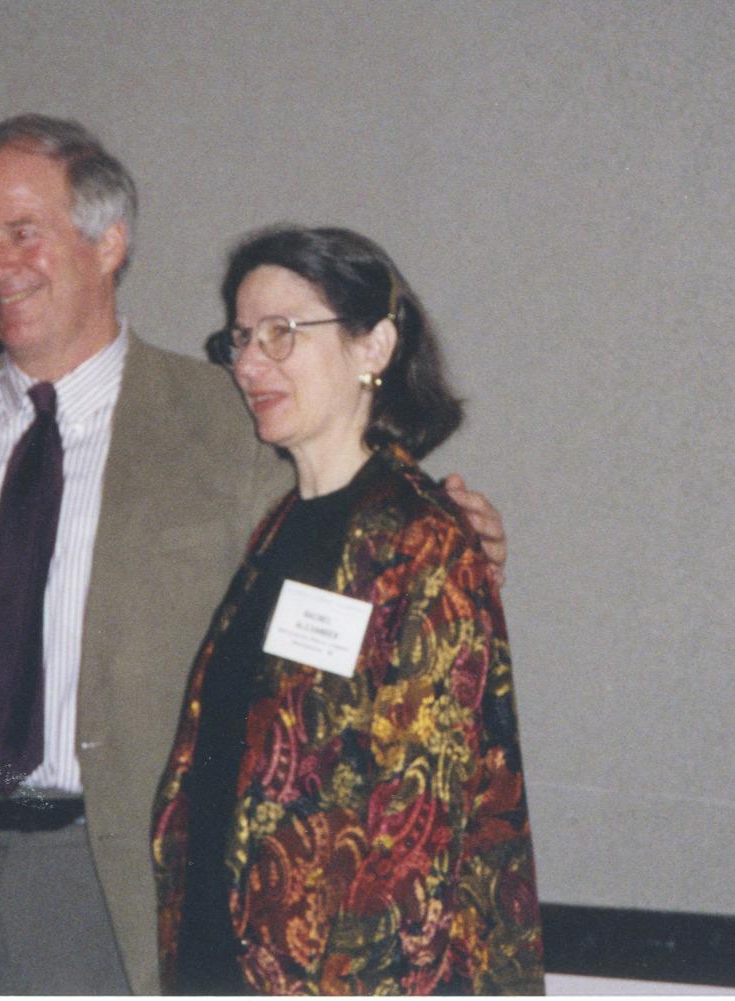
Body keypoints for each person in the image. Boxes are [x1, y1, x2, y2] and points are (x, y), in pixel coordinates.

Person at [0, 116, 512, 994]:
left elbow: (351, 555)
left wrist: (450, 538)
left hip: (127, 884)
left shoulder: (232, 416)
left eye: (24, 231)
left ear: (110, 242)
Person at [151, 226, 546, 994]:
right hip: (219, 963)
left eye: (281, 333)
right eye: (238, 338)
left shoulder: (424, 544)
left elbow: (416, 843)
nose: (249, 363)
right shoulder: (279, 529)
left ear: (374, 347)